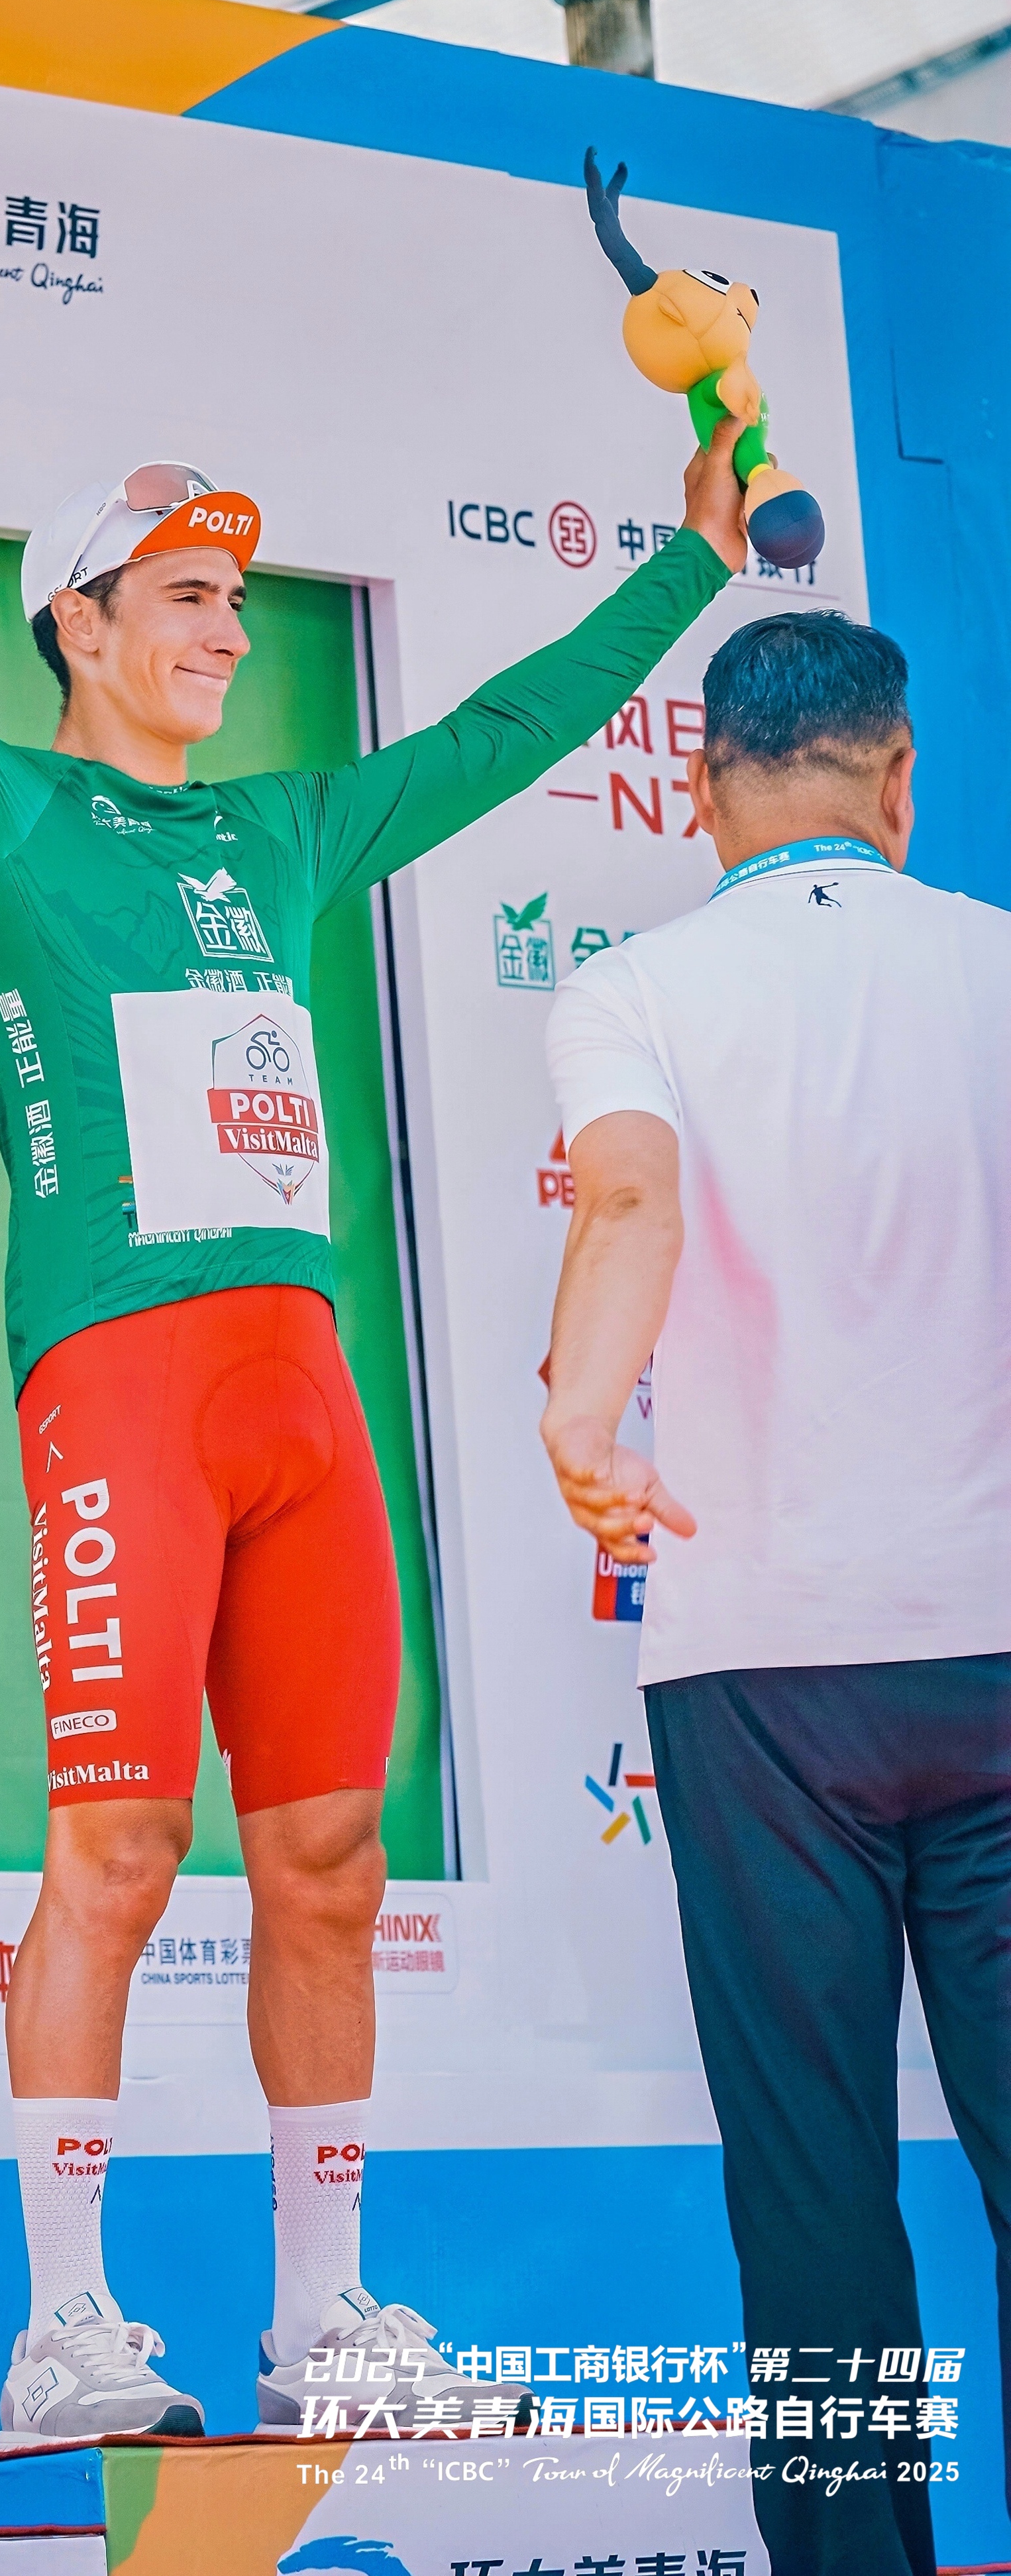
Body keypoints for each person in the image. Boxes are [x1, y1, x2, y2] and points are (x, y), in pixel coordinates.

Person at [0, 213, 745, 2446]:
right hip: (120, 1381)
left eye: (235, 601)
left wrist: (690, 559)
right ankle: (62, 2328)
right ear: (76, 624)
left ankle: (319, 2315)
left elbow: (504, 732)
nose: (224, 630)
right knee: (113, 1850)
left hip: (302, 1396)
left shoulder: (284, 828)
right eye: (181, 595)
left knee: (326, 1864)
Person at [539, 608, 1010, 2576]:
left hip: (758, 1680)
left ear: (698, 787)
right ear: (898, 778)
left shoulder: (631, 990)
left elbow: (628, 1199)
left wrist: (581, 1418)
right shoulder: (997, 961)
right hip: (997, 1647)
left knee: (810, 2193)